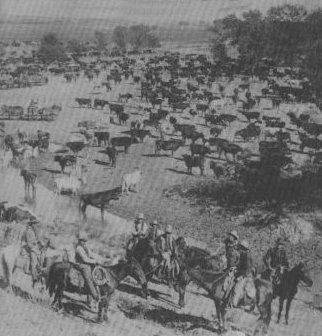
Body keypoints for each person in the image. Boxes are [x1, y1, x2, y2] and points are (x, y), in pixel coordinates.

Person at [74, 231, 100, 302]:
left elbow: (91, 254)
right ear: (79, 241)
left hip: (86, 263)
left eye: (85, 241)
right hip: (81, 264)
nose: (84, 242)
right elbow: (85, 259)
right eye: (83, 241)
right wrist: (94, 261)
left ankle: (91, 296)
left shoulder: (84, 247)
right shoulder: (79, 248)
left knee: (96, 271)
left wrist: (99, 258)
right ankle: (95, 296)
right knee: (88, 278)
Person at [21, 219, 42, 288]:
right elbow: (29, 243)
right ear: (32, 224)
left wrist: (40, 243)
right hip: (28, 247)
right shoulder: (29, 231)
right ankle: (34, 279)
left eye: (36, 223)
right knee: (34, 262)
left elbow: (36, 240)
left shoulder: (34, 231)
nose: (36, 225)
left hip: (33, 247)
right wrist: (35, 249)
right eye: (35, 223)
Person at [222, 231, 240, 303]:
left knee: (230, 278)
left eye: (232, 236)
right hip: (227, 258)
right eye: (230, 235)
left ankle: (228, 297)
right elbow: (223, 248)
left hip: (233, 262)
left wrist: (235, 266)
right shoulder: (227, 241)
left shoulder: (236, 245)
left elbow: (238, 256)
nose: (230, 237)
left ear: (234, 238)